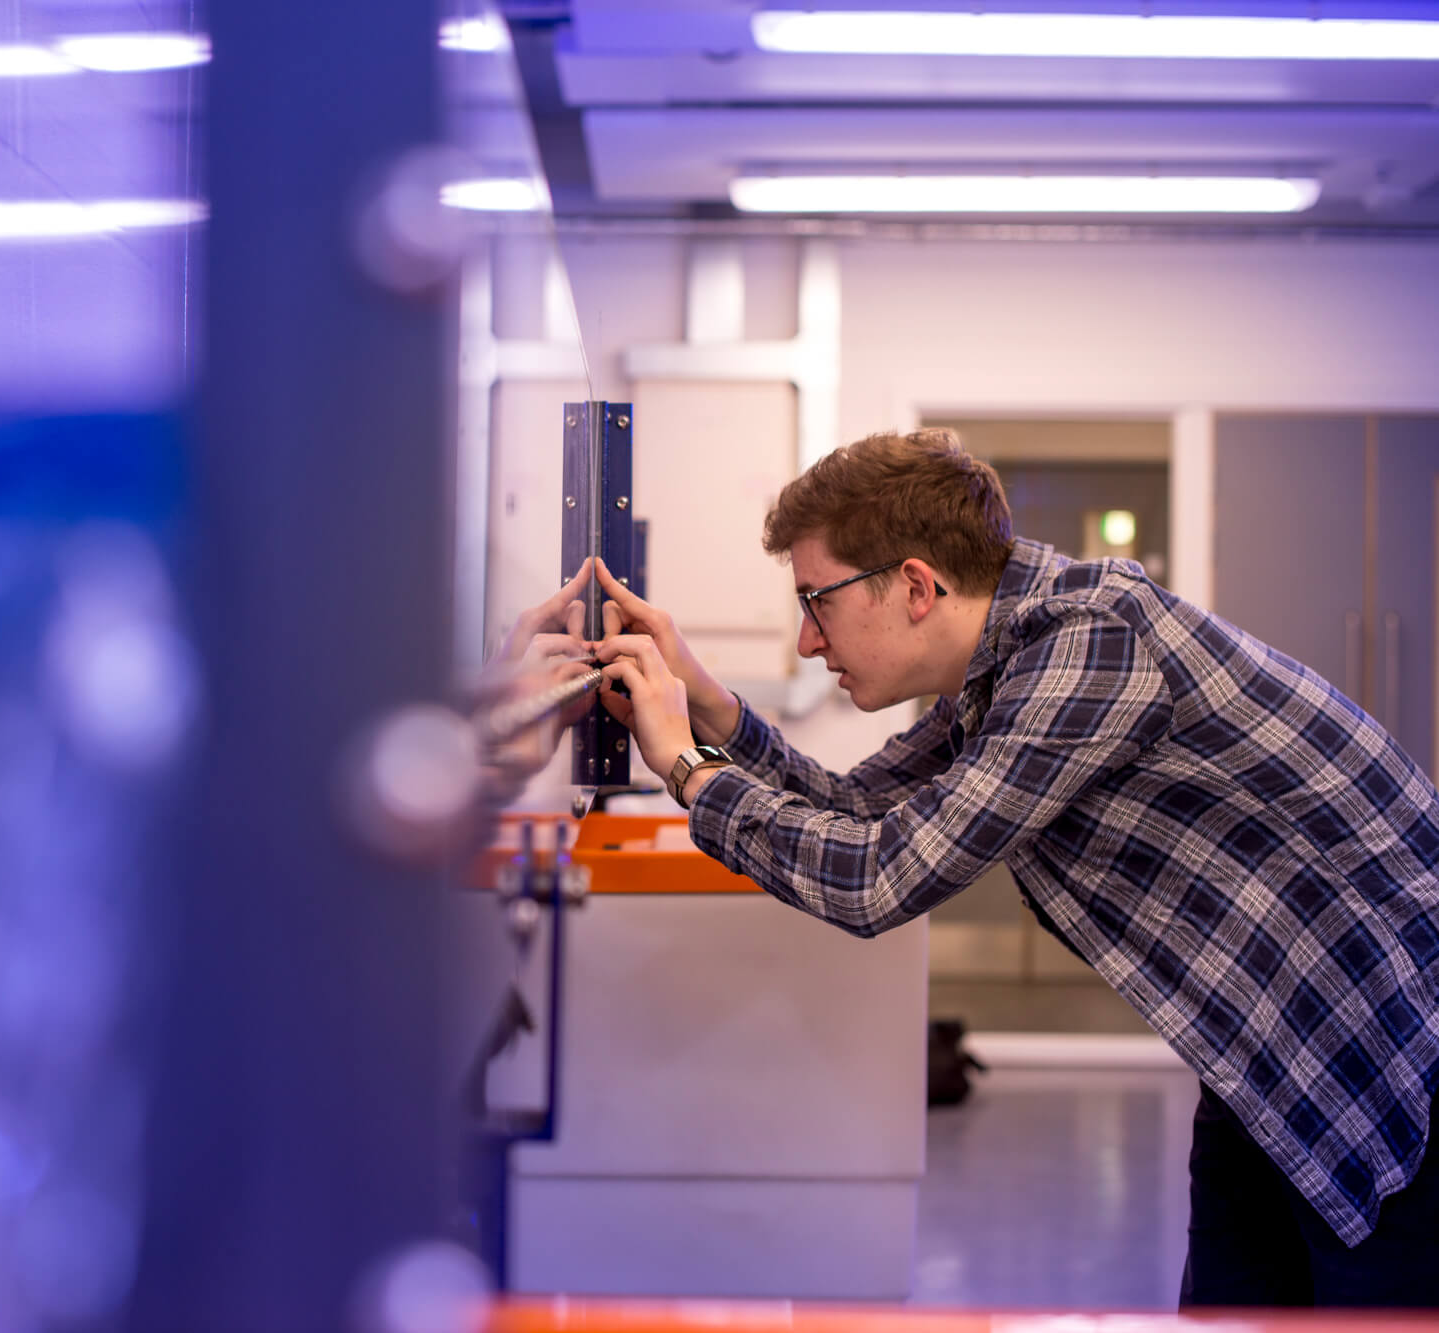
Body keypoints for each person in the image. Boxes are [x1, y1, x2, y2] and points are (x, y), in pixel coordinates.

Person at [583, 427, 1439, 1308]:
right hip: (1264, 1057)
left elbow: (879, 877)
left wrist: (687, 769)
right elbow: (853, 807)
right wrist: (705, 704)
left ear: (915, 585)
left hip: (1388, 1059)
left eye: (817, 602)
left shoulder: (1090, 643)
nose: (807, 640)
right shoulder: (1006, 671)